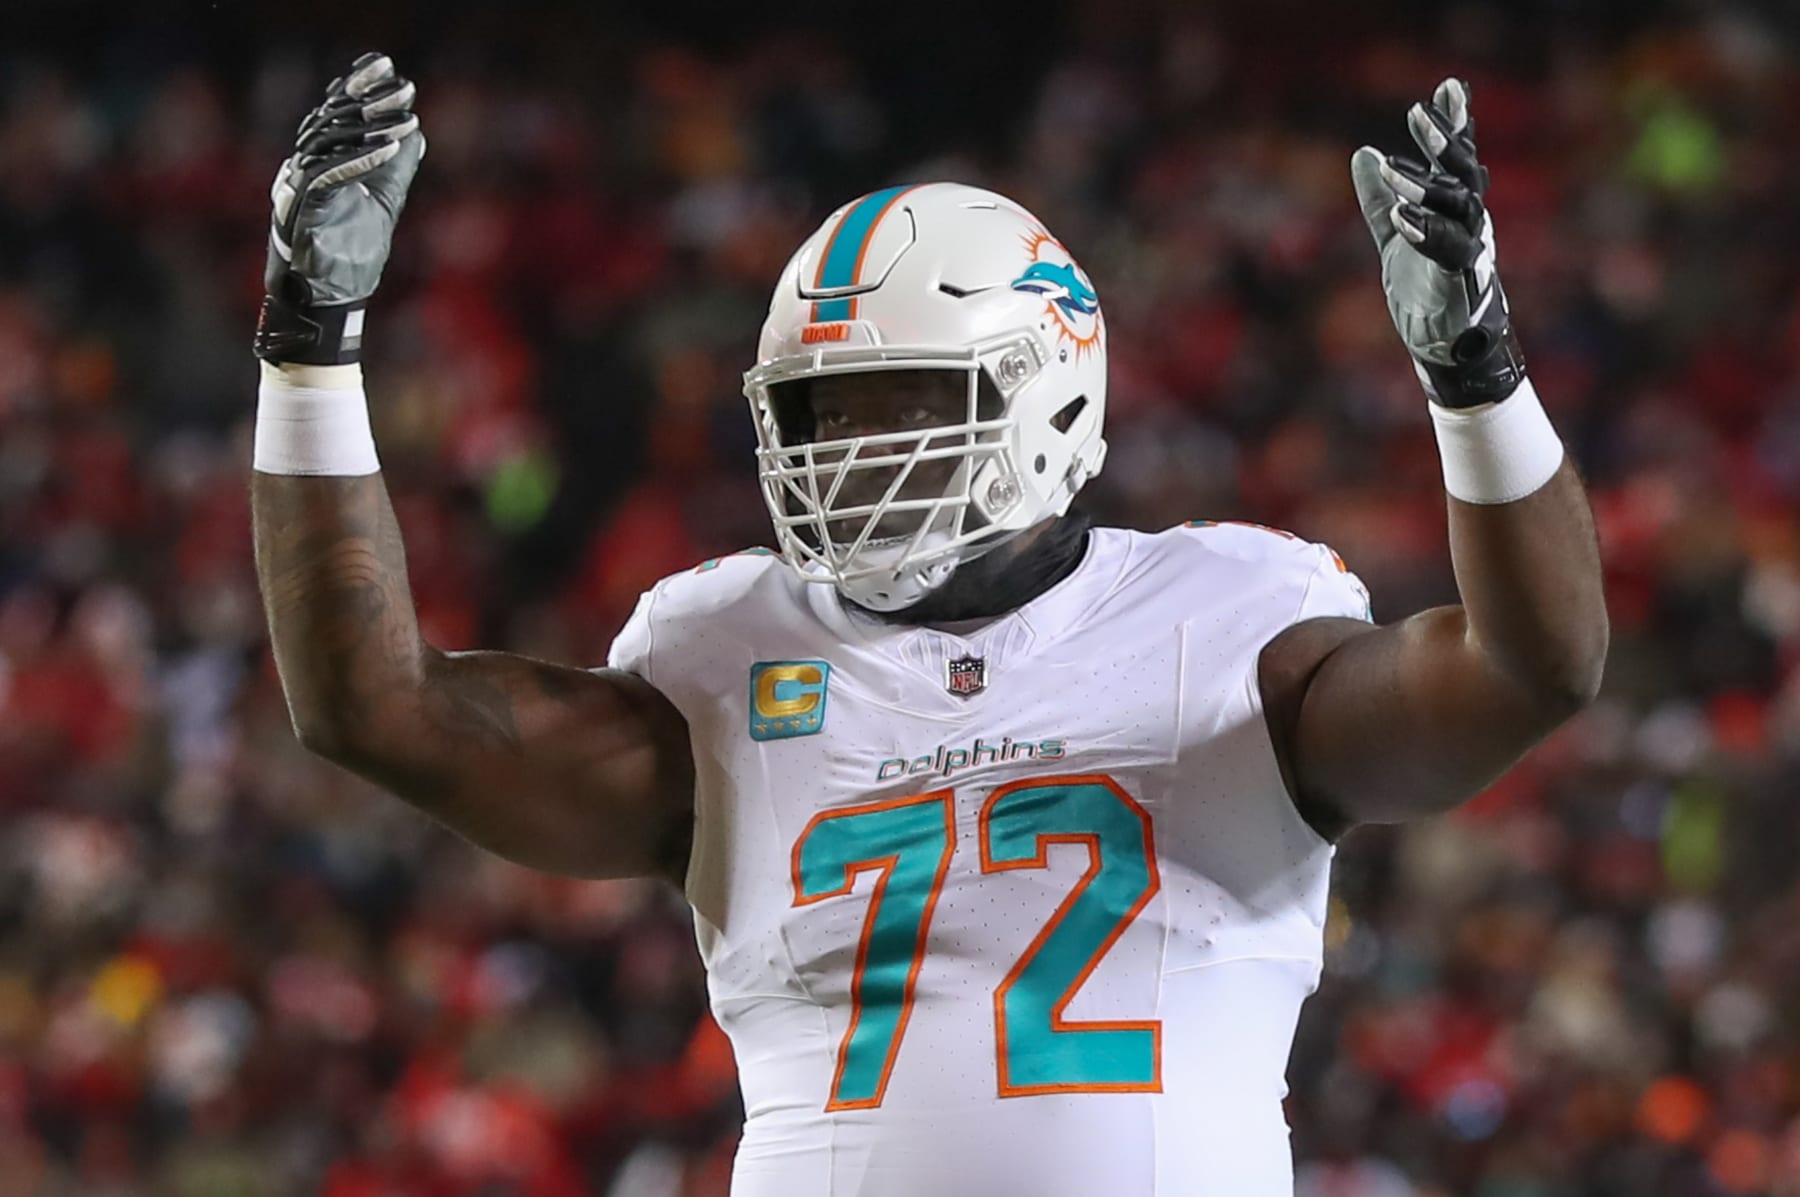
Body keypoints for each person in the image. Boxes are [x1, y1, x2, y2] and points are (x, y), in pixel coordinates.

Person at [250, 54, 1608, 1197]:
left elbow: (1535, 665)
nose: (843, 453)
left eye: (896, 401)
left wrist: (1475, 373)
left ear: (1046, 390)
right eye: (815, 414)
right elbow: (371, 706)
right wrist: (311, 340)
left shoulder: (1234, 620)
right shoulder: (722, 656)